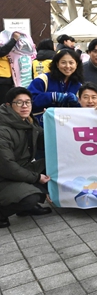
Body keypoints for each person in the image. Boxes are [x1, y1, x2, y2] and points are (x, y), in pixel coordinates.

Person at [0, 87, 51, 229]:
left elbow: (46, 142)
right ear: (9, 105)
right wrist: (36, 177)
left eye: (28, 102)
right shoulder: (3, 130)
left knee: (54, 165)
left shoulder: (28, 121)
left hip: (21, 169)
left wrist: (52, 122)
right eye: (19, 102)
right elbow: (7, 166)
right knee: (31, 197)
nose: (25, 106)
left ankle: (25, 208)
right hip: (4, 176)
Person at [28, 49, 83, 126]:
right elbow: (29, 101)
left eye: (71, 63)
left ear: (76, 64)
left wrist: (77, 102)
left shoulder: (78, 85)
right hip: (41, 125)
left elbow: (83, 109)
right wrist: (53, 96)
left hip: (67, 126)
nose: (67, 66)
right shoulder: (43, 79)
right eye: (63, 62)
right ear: (57, 64)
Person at [0, 31, 20, 103]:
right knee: (3, 103)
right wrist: (14, 39)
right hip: (2, 79)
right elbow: (2, 51)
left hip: (7, 78)